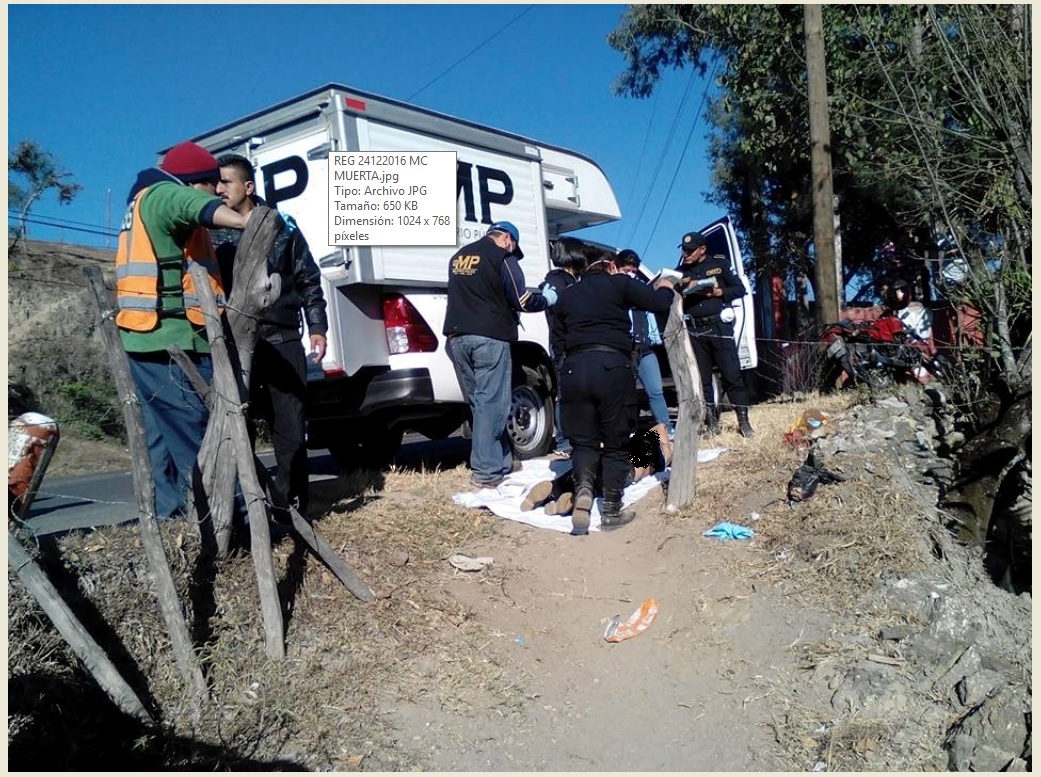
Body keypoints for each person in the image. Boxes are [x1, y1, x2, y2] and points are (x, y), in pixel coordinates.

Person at [114, 141, 251, 521]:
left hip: (145, 337)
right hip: (170, 339)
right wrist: (245, 221)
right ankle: (226, 517)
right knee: (201, 432)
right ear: (193, 181)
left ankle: (169, 518)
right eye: (213, 183)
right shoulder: (165, 195)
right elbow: (197, 206)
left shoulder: (142, 202)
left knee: (160, 438)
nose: (221, 191)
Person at [209, 154, 328, 519]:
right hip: (234, 343)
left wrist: (318, 327)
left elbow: (308, 278)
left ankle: (291, 507)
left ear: (247, 187)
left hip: (282, 339)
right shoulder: (211, 229)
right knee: (236, 428)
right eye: (217, 183)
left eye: (225, 182)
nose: (218, 189)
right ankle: (245, 507)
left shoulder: (284, 226)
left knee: (290, 429)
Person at [555, 249, 677, 535]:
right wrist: (667, 288)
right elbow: (659, 303)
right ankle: (610, 510)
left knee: (584, 442)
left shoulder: (567, 296)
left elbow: (558, 344)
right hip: (612, 367)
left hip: (574, 370)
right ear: (611, 266)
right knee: (615, 442)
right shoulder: (620, 283)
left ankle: (584, 492)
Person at [443, 221, 555, 488]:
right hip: (490, 337)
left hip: (458, 338)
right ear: (507, 238)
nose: (513, 252)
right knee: (492, 404)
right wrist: (549, 299)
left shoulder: (459, 257)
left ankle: (503, 459)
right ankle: (487, 471)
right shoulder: (502, 257)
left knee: (480, 403)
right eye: (514, 246)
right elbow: (522, 300)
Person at [675, 230, 755, 438]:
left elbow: (740, 289)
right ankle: (712, 422)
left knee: (731, 374)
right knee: (703, 379)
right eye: (684, 250)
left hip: (718, 327)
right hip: (694, 330)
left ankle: (743, 422)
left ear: (703, 250)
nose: (686, 254)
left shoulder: (719, 265)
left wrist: (721, 292)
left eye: (691, 251)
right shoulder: (679, 272)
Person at [615, 249, 674, 444]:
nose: (630, 274)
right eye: (626, 270)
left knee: (655, 391)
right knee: (626, 396)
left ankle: (666, 429)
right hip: (622, 349)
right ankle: (629, 433)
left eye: (633, 270)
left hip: (644, 347)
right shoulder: (612, 288)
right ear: (616, 267)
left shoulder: (641, 288)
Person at [543, 237, 591, 459]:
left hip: (579, 345)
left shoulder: (574, 280)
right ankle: (564, 441)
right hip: (565, 348)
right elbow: (547, 300)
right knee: (565, 394)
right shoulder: (557, 280)